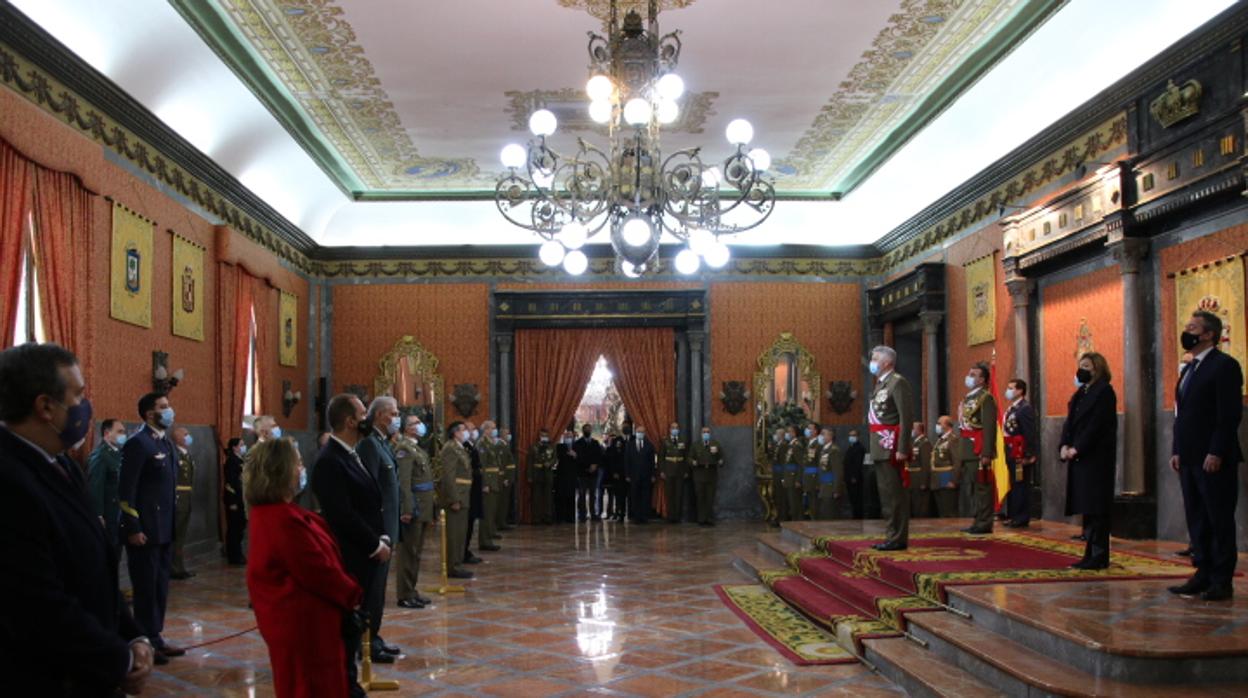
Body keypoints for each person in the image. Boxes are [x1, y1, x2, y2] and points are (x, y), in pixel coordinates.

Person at [0, 343, 154, 696]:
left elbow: (96, 565)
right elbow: (35, 603)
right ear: (45, 406)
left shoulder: (64, 464)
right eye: (78, 395)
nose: (85, 406)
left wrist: (133, 634)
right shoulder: (8, 479)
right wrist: (118, 659)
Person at [245, 437, 363, 698]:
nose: (302, 468)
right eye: (298, 463)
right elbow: (318, 570)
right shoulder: (282, 519)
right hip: (305, 627)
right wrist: (353, 593)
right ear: (282, 470)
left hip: (308, 623)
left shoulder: (279, 513)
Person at [310, 394, 392, 697]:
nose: (366, 418)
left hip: (366, 550)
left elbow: (371, 502)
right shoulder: (330, 460)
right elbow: (342, 515)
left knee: (357, 623)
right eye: (362, 413)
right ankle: (345, 686)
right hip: (351, 555)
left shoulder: (350, 453)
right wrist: (374, 545)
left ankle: (349, 683)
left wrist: (382, 536)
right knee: (347, 627)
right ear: (349, 421)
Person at [1170, 311, 1243, 600]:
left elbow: (1229, 414)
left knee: (1218, 518)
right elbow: (1182, 415)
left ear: (1209, 334)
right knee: (1197, 517)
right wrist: (1176, 449)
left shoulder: (1224, 366)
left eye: (1192, 328)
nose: (1186, 332)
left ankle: (1221, 579)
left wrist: (1216, 450)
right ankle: (1202, 571)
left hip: (1213, 458)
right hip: (1188, 456)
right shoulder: (1189, 369)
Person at [120, 391, 187, 662]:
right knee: (145, 590)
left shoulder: (166, 445)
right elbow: (126, 490)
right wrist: (132, 527)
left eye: (168, 405)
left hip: (164, 529)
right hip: (144, 531)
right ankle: (145, 642)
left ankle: (156, 637)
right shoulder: (138, 443)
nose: (169, 411)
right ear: (150, 413)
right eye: (163, 407)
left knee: (160, 587)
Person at [354, 397, 402, 663]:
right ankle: (368, 642)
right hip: (379, 530)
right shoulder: (370, 445)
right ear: (381, 415)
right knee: (372, 591)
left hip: (388, 528)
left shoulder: (382, 443)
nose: (397, 417)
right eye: (394, 413)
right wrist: (379, 533)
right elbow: (370, 491)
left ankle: (375, 637)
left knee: (379, 590)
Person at [1060, 352, 1118, 570]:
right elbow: (1070, 423)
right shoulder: (1080, 393)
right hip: (1078, 457)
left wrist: (1078, 448)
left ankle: (1099, 554)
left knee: (1097, 507)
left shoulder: (1104, 392)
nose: (1081, 369)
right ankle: (1089, 553)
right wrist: (1064, 445)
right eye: (1080, 365)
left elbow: (1097, 425)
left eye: (1086, 365)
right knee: (1087, 506)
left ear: (1097, 368)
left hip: (1095, 457)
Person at [867, 345, 914, 551]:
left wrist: (903, 447)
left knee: (895, 495)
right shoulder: (881, 384)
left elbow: (906, 417)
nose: (872, 362)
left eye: (876, 359)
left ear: (887, 362)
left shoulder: (898, 383)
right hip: (879, 446)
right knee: (886, 494)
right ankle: (891, 534)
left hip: (891, 445)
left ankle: (897, 537)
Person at [395, 414, 434, 609]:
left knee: (416, 552)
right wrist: (407, 508)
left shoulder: (416, 448)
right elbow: (404, 483)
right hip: (414, 507)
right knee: (408, 553)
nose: (420, 426)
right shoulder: (404, 449)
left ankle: (412, 590)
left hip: (423, 507)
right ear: (407, 428)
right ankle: (404, 594)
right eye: (415, 423)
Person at [958, 363, 998, 534]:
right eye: (969, 373)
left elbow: (988, 427)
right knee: (973, 488)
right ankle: (977, 520)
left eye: (973, 374)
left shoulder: (985, 398)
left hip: (979, 448)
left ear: (982, 379)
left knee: (983, 488)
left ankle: (984, 522)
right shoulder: (968, 398)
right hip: (967, 449)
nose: (969, 376)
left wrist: (987, 452)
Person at [435, 421, 474, 580]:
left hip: (463, 495)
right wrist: (454, 498)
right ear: (455, 432)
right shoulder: (450, 448)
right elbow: (449, 476)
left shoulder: (459, 448)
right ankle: (453, 566)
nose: (466, 432)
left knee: (460, 533)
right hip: (457, 496)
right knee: (454, 534)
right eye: (464, 429)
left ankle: (457, 563)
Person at [87, 418, 128, 558]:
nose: (124, 435)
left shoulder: (118, 454)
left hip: (118, 513)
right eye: (120, 431)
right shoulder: (101, 456)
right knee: (107, 555)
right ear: (107, 433)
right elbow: (94, 487)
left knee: (116, 552)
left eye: (124, 431)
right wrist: (98, 514)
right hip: (107, 516)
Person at [1002, 379, 1039, 528]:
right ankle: (1013, 515)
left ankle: (1021, 517)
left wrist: (1028, 455)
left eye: (1011, 388)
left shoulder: (1025, 409)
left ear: (1020, 391)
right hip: (1010, 451)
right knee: (1014, 484)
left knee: (1020, 485)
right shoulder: (1012, 409)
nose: (1008, 390)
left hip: (1020, 453)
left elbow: (1029, 433)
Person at [171, 426, 196, 580]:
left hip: (186, 497)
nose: (189, 437)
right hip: (178, 497)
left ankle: (179, 566)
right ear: (177, 437)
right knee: (176, 535)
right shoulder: (174, 454)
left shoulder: (187, 455)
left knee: (181, 535)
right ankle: (174, 568)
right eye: (186, 434)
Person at [687, 426, 723, 526]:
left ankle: (709, 519)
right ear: (701, 433)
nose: (706, 434)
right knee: (700, 497)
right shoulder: (696, 445)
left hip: (711, 474)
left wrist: (720, 461)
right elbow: (689, 458)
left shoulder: (715, 444)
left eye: (707, 432)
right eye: (704, 432)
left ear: (710, 433)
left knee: (710, 497)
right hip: (699, 473)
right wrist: (692, 462)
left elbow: (721, 457)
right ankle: (701, 519)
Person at [475, 420, 502, 550]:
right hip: (488, 482)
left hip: (494, 481)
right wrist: (484, 483)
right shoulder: (482, 444)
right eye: (492, 428)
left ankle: (489, 538)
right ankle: (485, 541)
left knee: (491, 512)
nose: (494, 430)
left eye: (494, 428)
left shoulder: (491, 444)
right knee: (486, 513)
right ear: (485, 430)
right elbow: (482, 465)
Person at [461, 421, 485, 563]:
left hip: (473, 488)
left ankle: (466, 550)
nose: (473, 431)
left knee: (470, 523)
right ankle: (463, 551)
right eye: (470, 429)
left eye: (474, 429)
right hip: (468, 489)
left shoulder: (470, 446)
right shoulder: (464, 447)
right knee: (466, 524)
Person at [624, 424, 657, 523]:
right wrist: (627, 474)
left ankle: (644, 516)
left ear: (644, 433)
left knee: (645, 496)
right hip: (633, 475)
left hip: (646, 476)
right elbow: (627, 461)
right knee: (635, 496)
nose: (640, 434)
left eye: (642, 432)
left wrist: (653, 475)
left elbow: (652, 462)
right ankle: (636, 517)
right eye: (638, 432)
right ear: (635, 432)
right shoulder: (630, 445)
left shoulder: (649, 445)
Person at [658, 422, 689, 523]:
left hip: (680, 470)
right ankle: (671, 517)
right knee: (670, 494)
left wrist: (686, 470)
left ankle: (677, 517)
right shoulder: (665, 441)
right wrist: (662, 470)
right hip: (668, 470)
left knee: (679, 494)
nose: (675, 429)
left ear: (679, 430)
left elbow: (686, 457)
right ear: (670, 429)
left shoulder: (683, 441)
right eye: (673, 427)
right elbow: (661, 457)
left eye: (676, 427)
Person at [223, 437, 248, 565]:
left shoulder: (240, 460)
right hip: (234, 499)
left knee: (239, 528)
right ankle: (233, 556)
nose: (244, 446)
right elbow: (230, 482)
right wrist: (232, 501)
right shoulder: (232, 461)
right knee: (234, 528)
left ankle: (238, 553)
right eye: (242, 444)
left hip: (242, 498)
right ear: (234, 447)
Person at [930, 416, 960, 518]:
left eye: (939, 423)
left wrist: (954, 480)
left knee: (949, 511)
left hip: (947, 477)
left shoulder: (952, 439)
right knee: (942, 511)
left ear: (947, 425)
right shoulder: (940, 440)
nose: (937, 426)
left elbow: (957, 461)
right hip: (938, 479)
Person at [574, 423, 604, 522]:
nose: (588, 431)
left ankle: (593, 514)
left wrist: (595, 465)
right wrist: (588, 466)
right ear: (583, 431)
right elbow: (578, 457)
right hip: (582, 473)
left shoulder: (595, 443)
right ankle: (582, 515)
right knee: (582, 495)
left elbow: (599, 456)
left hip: (594, 473)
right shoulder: (577, 443)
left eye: (589, 429)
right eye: (586, 429)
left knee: (593, 494)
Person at [529, 428, 557, 524]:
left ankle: (548, 517)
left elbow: (555, 458)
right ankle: (536, 518)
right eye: (542, 435)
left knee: (548, 497)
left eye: (545, 435)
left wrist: (550, 463)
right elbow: (530, 462)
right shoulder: (534, 446)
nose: (543, 437)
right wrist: (530, 476)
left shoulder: (551, 446)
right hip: (537, 473)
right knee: (536, 497)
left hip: (548, 473)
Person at [815, 428, 844, 520]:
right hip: (824, 486)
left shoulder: (834, 450)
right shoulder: (824, 450)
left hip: (830, 486)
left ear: (830, 436)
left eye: (824, 434)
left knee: (830, 513)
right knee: (823, 512)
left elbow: (838, 471)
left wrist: (836, 489)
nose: (821, 437)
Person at [907, 422, 933, 519]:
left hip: (919, 478)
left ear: (918, 430)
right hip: (912, 478)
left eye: (913, 429)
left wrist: (924, 482)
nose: (912, 431)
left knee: (920, 506)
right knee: (913, 504)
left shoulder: (924, 443)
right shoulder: (914, 442)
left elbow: (926, 464)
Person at [554, 429, 578, 523]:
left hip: (572, 476)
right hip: (561, 475)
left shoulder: (576, 446)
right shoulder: (559, 446)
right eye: (567, 436)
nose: (568, 438)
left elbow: (579, 459)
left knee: (571, 497)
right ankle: (560, 517)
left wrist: (575, 455)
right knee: (560, 496)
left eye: (570, 436)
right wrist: (567, 454)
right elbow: (558, 457)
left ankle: (571, 517)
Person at [603, 429, 627, 521]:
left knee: (621, 495)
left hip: (623, 475)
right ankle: (612, 513)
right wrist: (614, 472)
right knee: (612, 495)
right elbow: (608, 461)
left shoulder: (623, 446)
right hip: (611, 475)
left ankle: (621, 513)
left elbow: (625, 460)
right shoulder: (610, 448)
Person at [497, 427, 517, 531]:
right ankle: (501, 522)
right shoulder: (500, 446)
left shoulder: (505, 445)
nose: (509, 435)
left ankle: (502, 521)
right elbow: (501, 464)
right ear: (502, 434)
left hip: (508, 478)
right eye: (507, 433)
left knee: (505, 501)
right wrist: (504, 478)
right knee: (502, 502)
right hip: (503, 479)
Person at [843, 429, 866, 519]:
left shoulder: (859, 448)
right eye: (850, 435)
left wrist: (854, 477)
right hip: (849, 477)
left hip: (855, 478)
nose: (851, 437)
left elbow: (858, 464)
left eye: (853, 435)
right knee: (852, 499)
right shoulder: (851, 447)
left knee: (857, 499)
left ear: (858, 436)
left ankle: (858, 516)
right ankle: (855, 515)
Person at [769, 428, 789, 523]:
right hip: (776, 474)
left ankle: (783, 517)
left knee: (782, 498)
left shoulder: (784, 445)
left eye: (777, 434)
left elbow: (784, 462)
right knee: (777, 496)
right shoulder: (777, 445)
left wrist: (784, 477)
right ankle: (779, 516)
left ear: (781, 435)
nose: (775, 436)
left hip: (781, 474)